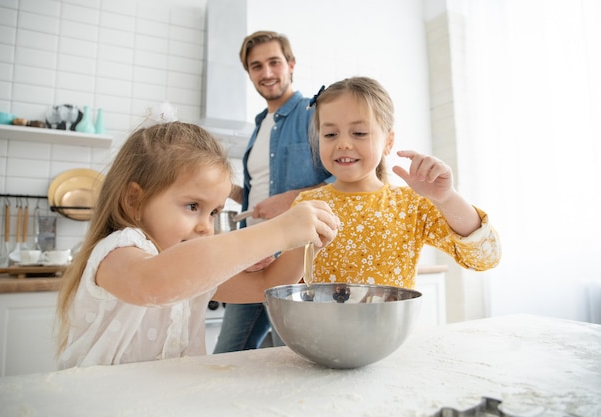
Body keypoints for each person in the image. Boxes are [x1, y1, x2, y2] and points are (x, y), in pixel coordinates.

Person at [54, 121, 338, 369]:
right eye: (192, 206)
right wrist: (279, 230)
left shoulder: (193, 273)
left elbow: (265, 283)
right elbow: (155, 283)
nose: (205, 226)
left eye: (213, 212)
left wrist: (303, 241)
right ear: (134, 200)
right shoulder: (117, 250)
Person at [292, 76, 501, 288]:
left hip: (391, 322)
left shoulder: (410, 205)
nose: (343, 143)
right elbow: (288, 280)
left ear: (388, 142)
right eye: (330, 134)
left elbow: (485, 257)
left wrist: (447, 199)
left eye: (359, 133)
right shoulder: (307, 205)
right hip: (318, 322)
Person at [213, 30, 332, 353]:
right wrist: (227, 190)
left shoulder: (315, 114)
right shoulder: (258, 127)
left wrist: (292, 199)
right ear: (249, 73)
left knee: (292, 356)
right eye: (256, 66)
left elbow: (346, 181)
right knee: (227, 353)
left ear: (291, 64)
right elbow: (260, 198)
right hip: (250, 256)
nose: (266, 73)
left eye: (274, 62)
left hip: (294, 263)